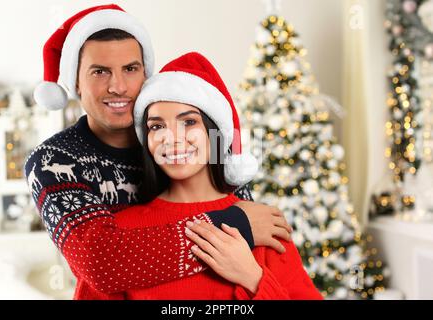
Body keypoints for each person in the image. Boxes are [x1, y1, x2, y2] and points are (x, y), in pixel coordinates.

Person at [25, 4, 293, 299]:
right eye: (100, 71)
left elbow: (240, 211)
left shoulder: (183, 140)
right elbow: (102, 265)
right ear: (75, 81)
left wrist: (255, 273)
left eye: (130, 69)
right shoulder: (52, 160)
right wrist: (238, 226)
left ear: (146, 73)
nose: (118, 87)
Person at [107, 52, 322, 299]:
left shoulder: (262, 223)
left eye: (188, 122)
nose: (172, 138)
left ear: (215, 133)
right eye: (157, 126)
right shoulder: (121, 232)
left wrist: (253, 279)